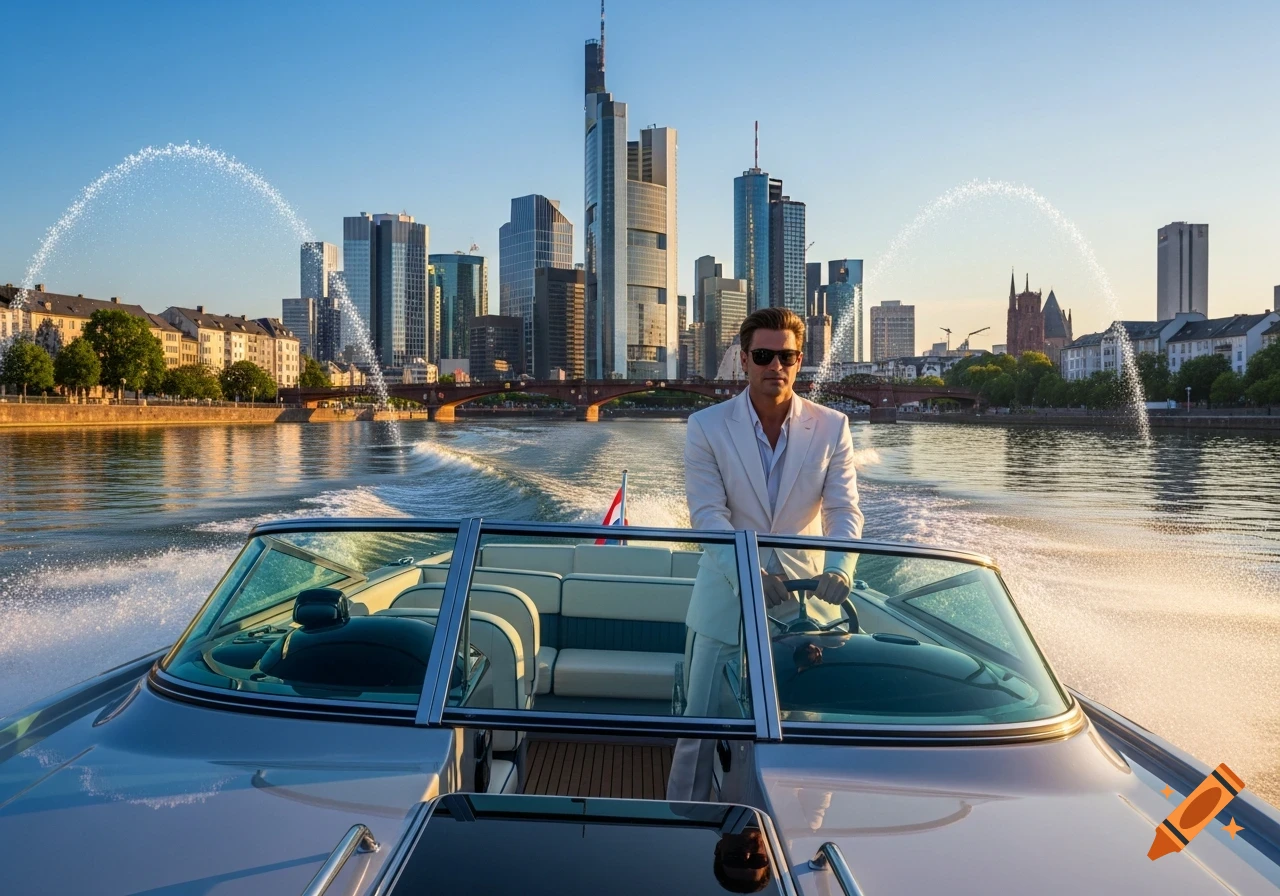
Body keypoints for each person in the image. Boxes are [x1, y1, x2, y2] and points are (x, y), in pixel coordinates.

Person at [668, 307, 864, 802]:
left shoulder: (832, 426)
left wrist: (840, 567)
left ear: (800, 362)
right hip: (726, 600)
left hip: (807, 605)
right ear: (743, 359)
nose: (775, 365)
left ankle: (799, 835)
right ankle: (682, 821)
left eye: (787, 356)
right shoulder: (706, 426)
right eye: (763, 355)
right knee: (700, 728)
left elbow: (844, 510)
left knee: (803, 730)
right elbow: (708, 517)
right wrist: (750, 573)